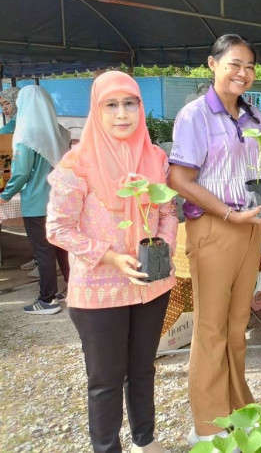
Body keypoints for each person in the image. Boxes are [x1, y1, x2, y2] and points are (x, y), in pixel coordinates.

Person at [46, 71, 176, 453]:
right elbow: (58, 228)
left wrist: (163, 247)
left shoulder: (155, 158)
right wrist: (112, 257)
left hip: (151, 284)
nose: (122, 114)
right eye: (112, 105)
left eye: (130, 103)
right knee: (105, 379)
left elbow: (168, 212)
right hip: (99, 290)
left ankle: (145, 441)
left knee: (143, 369)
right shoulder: (77, 164)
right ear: (97, 109)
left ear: (140, 107)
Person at [168, 34, 261, 445]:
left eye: (249, 66)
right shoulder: (194, 115)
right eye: (234, 64)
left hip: (251, 226)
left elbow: (260, 172)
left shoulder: (254, 116)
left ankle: (239, 409)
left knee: (237, 324)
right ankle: (209, 428)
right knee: (211, 327)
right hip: (215, 227)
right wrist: (229, 213)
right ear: (212, 64)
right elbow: (179, 179)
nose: (242, 73)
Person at [0, 86, 69, 314]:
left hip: (37, 204)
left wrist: (5, 195)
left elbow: (20, 173)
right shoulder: (59, 132)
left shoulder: (25, 135)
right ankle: (72, 288)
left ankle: (47, 300)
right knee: (62, 248)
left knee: (43, 251)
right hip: (60, 201)